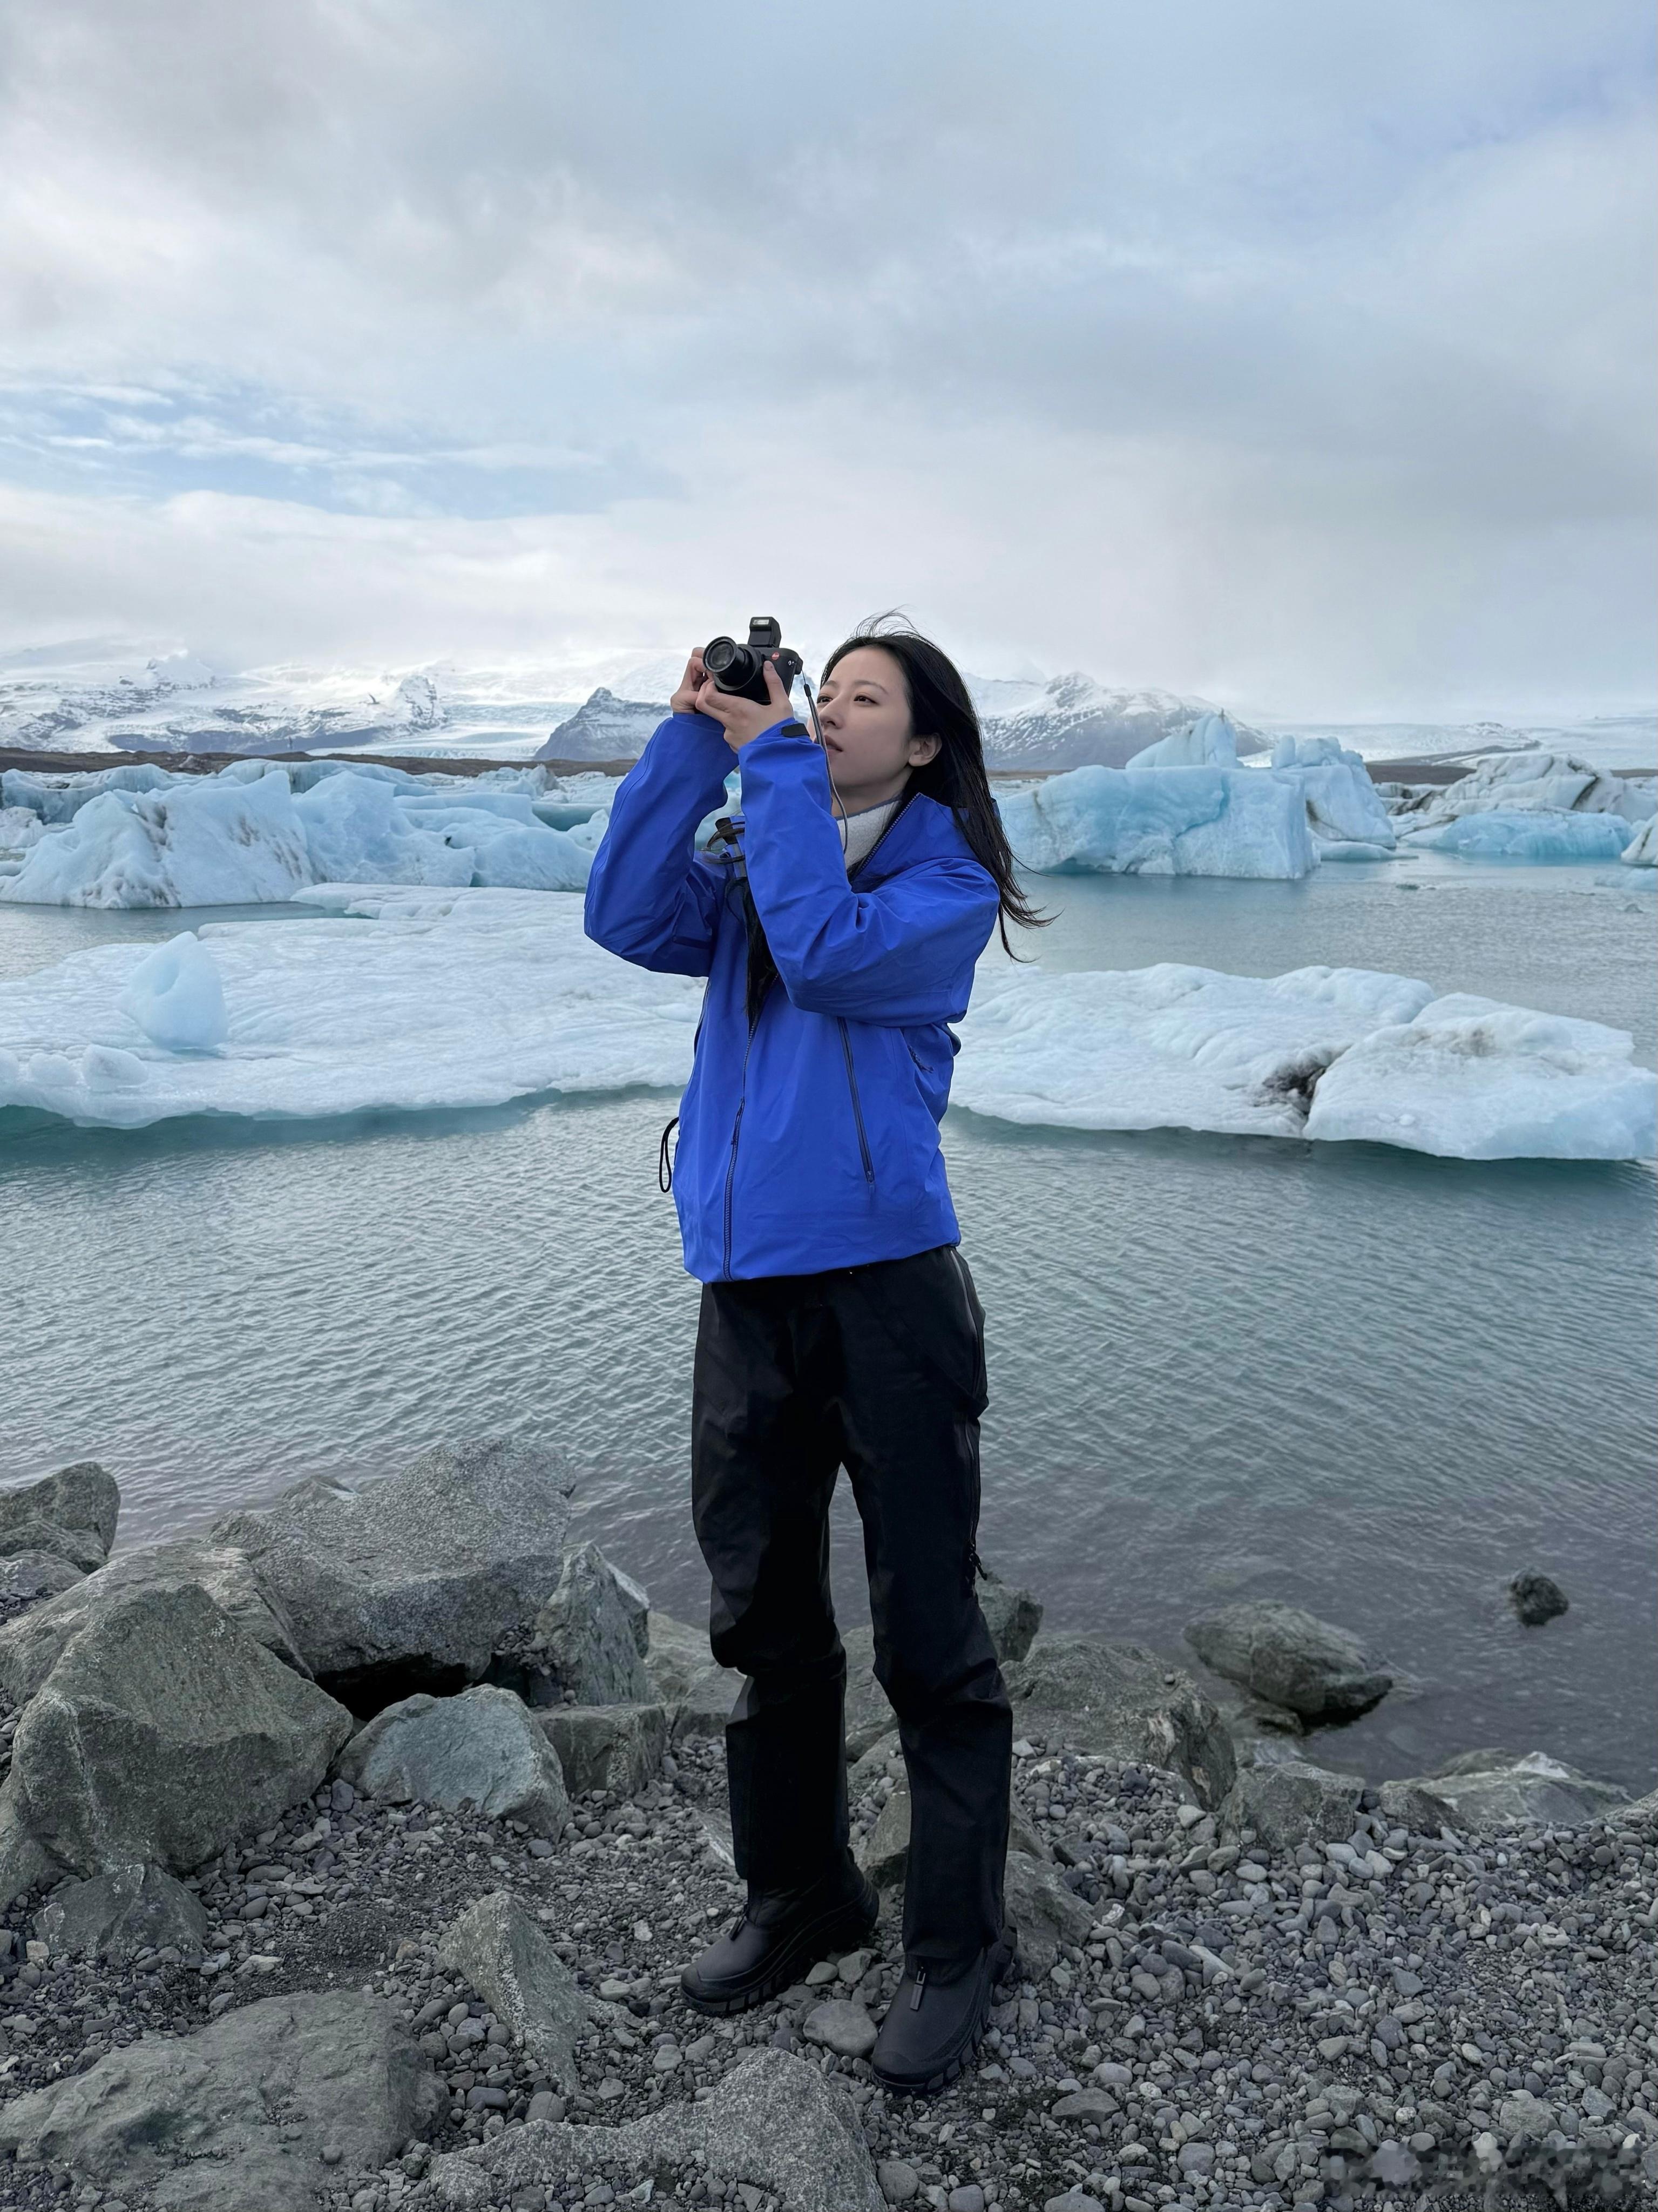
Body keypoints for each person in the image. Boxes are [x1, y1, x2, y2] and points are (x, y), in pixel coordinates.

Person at [583, 618, 1045, 2095]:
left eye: (861, 703)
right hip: (747, 1297)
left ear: (922, 744)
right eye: (816, 696)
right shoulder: (758, 850)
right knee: (764, 1624)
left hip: (888, 1302)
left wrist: (769, 761)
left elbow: (828, 957)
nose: (827, 714)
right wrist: (686, 738)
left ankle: (956, 1946)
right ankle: (800, 1895)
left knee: (931, 1640)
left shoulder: (937, 883)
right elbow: (623, 916)